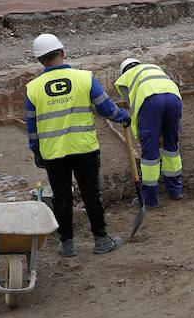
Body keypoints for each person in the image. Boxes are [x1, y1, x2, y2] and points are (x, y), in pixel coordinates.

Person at [24, 33, 128, 257]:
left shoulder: (33, 88)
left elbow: (31, 127)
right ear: (62, 52)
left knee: (62, 197)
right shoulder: (85, 78)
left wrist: (36, 151)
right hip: (85, 149)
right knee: (92, 193)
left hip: (53, 153)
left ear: (40, 60)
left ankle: (67, 244)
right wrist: (124, 117)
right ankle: (101, 240)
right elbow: (106, 109)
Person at [115, 57, 184, 208]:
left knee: (150, 153)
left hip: (151, 102)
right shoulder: (153, 67)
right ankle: (175, 190)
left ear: (123, 71)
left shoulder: (126, 78)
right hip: (174, 98)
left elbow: (135, 111)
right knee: (171, 146)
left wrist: (145, 138)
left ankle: (149, 198)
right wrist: (162, 135)